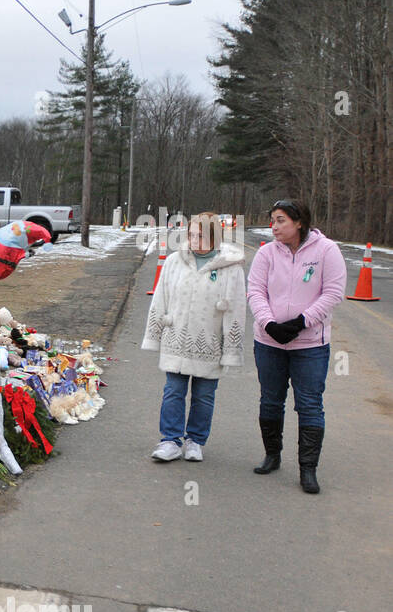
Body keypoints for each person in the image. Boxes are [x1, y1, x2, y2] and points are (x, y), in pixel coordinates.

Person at [247, 199, 345, 493]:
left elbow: (333, 293)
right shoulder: (266, 253)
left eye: (280, 221)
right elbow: (255, 290)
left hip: (310, 345)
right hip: (269, 342)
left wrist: (301, 322)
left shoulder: (327, 250)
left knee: (310, 404)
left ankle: (308, 469)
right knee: (270, 400)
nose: (273, 227)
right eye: (272, 220)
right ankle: (272, 455)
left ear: (299, 222)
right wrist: (270, 324)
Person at [141, 212, 246, 462]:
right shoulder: (175, 261)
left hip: (209, 343)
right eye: (191, 235)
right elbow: (160, 299)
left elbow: (236, 310)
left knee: (204, 395)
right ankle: (170, 440)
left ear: (215, 237)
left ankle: (195, 440)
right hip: (176, 339)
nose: (195, 240)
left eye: (202, 235)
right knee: (173, 391)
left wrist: (231, 349)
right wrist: (154, 334)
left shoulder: (230, 268)